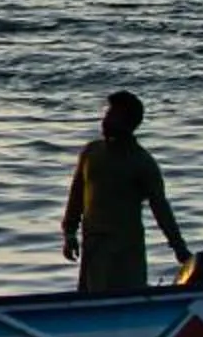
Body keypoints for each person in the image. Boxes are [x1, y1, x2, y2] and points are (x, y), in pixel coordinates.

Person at [62, 89, 189, 295]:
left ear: (129, 123)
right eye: (107, 114)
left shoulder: (142, 162)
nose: (105, 120)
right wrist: (69, 232)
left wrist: (179, 248)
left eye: (113, 116)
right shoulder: (91, 152)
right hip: (94, 248)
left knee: (126, 299)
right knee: (91, 301)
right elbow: (76, 196)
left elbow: (160, 207)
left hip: (126, 250)